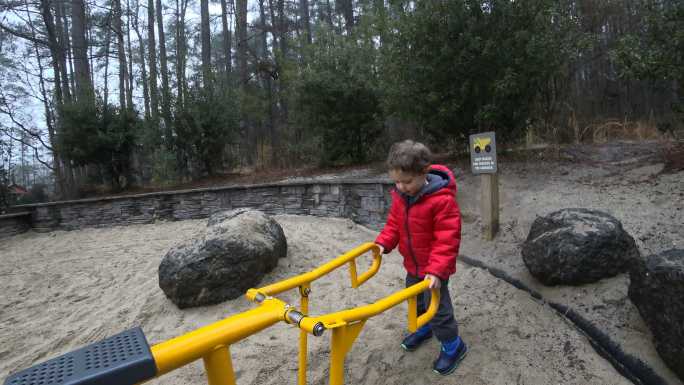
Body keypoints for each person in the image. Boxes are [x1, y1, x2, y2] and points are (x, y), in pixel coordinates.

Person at [374, 139, 467, 375]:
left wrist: (436, 270)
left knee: (438, 309)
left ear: (423, 172)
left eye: (407, 182)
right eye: (396, 181)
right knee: (415, 301)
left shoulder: (441, 200)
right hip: (412, 266)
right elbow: (394, 224)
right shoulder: (400, 197)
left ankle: (453, 346)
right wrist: (383, 243)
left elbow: (447, 239)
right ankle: (424, 328)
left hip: (433, 270)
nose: (401, 187)